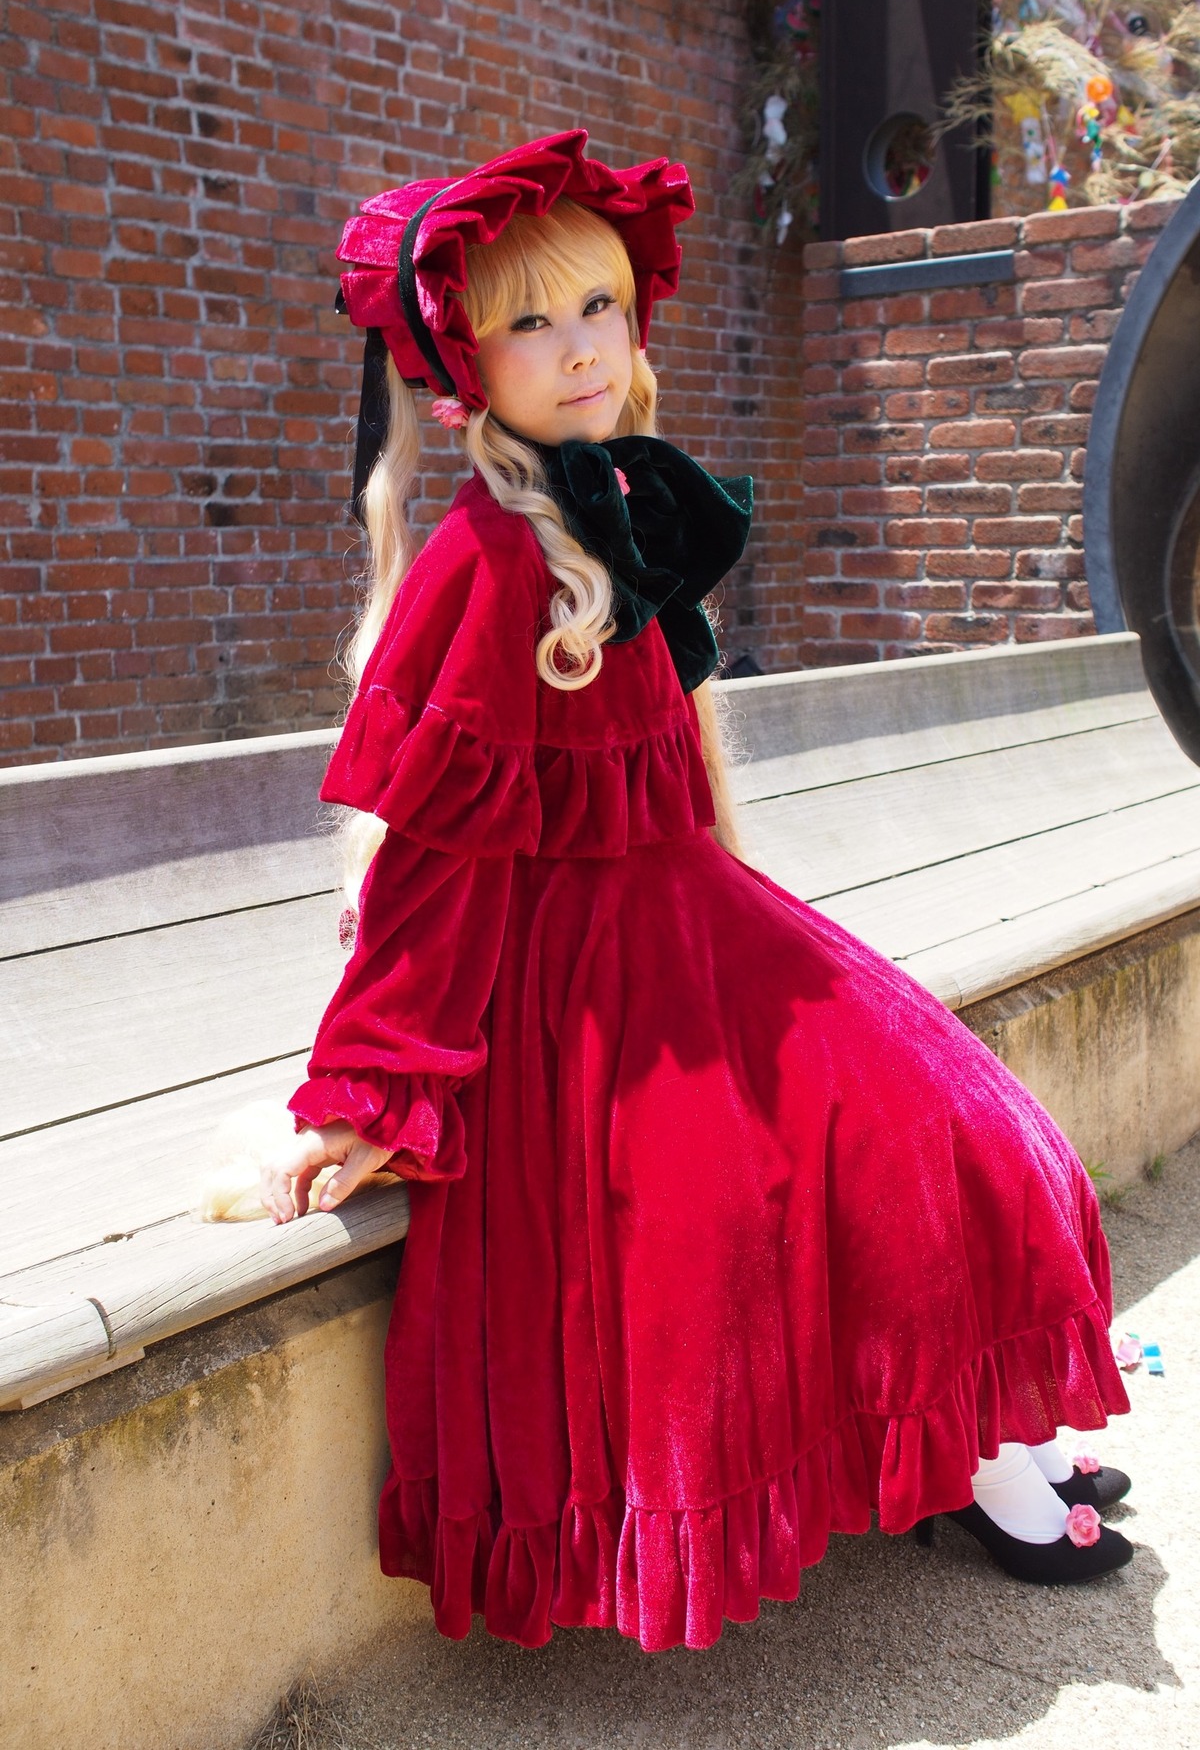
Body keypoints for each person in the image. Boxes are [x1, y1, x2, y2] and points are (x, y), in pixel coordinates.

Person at [246, 130, 1136, 1651]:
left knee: (968, 1121)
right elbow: (438, 863)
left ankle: (967, 1435)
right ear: (465, 354)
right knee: (876, 1150)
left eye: (597, 303)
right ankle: (976, 1451)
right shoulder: (482, 561)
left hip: (686, 914)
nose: (582, 346)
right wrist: (369, 1089)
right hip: (579, 989)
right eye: (532, 320)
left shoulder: (606, 503)